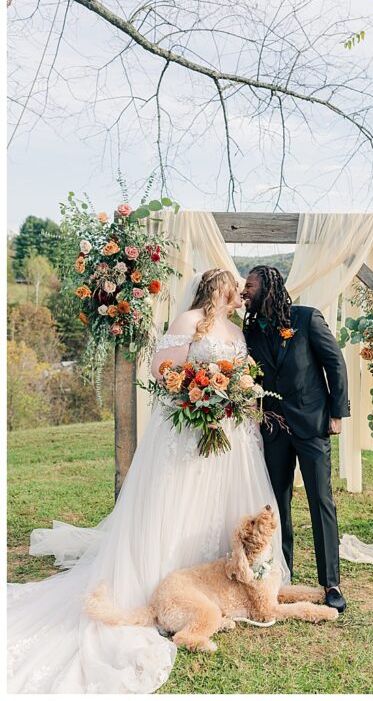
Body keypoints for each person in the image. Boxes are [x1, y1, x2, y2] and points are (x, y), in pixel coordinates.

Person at [7, 269, 285, 693]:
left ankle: (219, 584)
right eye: (234, 289)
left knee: (218, 500)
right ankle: (167, 584)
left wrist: (232, 395)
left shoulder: (235, 329)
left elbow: (243, 376)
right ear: (220, 290)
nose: (240, 296)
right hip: (190, 425)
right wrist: (198, 388)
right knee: (178, 499)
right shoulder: (189, 321)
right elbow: (161, 370)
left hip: (229, 430)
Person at [241, 265, 349, 613]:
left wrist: (336, 413)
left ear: (268, 288)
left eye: (250, 285)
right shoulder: (250, 330)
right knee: (276, 505)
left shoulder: (306, 319)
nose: (245, 291)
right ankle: (282, 576)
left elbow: (336, 365)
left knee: (321, 501)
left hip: (312, 422)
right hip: (273, 427)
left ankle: (330, 582)